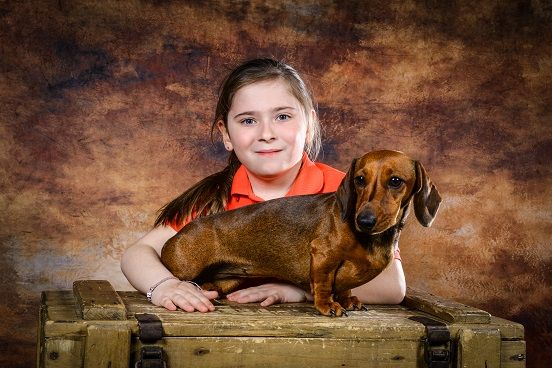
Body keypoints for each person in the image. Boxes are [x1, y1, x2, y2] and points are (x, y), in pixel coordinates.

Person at [121, 58, 406, 313]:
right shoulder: (214, 198)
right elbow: (136, 254)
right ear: (226, 134)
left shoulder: (351, 190)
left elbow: (391, 289)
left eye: (282, 116)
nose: (266, 134)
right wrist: (163, 286)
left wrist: (301, 291)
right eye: (248, 120)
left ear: (309, 125)